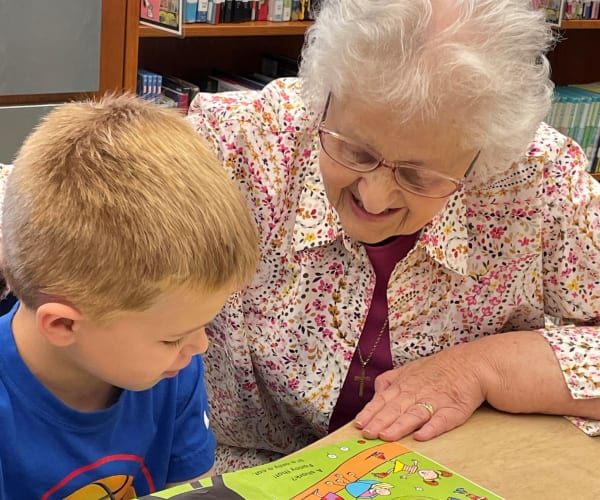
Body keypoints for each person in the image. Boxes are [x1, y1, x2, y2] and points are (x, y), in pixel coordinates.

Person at [186, 0, 600, 473]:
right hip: (241, 472)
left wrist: (483, 367)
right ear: (323, 95)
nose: (375, 198)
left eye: (419, 175)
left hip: (446, 472)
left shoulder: (538, 181)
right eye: (355, 151)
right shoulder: (236, 142)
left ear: (483, 157)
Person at [0, 94, 258, 498]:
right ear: (64, 324)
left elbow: (190, 490)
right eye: (173, 337)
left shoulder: (172, 369)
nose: (200, 345)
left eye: (202, 326)